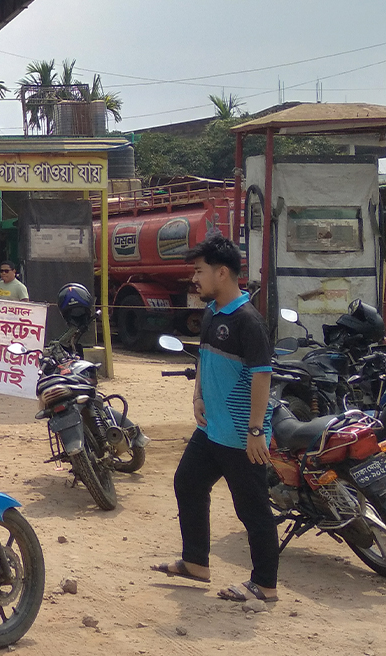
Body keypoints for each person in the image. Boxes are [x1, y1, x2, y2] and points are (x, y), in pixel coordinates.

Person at [151, 234, 279, 603]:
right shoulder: (211, 313)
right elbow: (203, 359)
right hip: (211, 429)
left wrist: (256, 430)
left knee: (252, 509)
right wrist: (197, 396)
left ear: (222, 273)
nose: (195, 278)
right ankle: (196, 563)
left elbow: (262, 375)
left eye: (199, 270)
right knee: (187, 482)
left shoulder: (248, 320)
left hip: (241, 434)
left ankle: (265, 585)